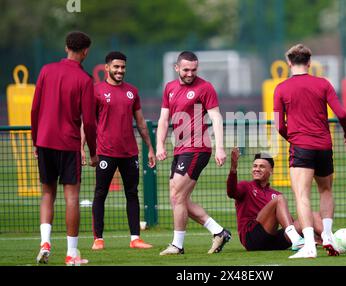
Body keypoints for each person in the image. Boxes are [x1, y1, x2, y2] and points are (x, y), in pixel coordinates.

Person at [274, 43, 346, 258]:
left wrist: (293, 139)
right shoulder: (323, 84)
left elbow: (279, 125)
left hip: (302, 147)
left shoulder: (281, 88)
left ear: (289, 63)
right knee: (325, 191)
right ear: (309, 62)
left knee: (302, 196)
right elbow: (343, 115)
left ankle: (309, 245)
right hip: (324, 147)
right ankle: (327, 236)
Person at [31, 31, 98, 266]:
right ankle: (71, 254)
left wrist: (35, 141)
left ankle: (45, 243)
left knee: (47, 194)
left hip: (44, 141)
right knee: (72, 198)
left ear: (65, 46)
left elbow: (35, 109)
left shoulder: (46, 71)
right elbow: (89, 121)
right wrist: (92, 150)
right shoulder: (85, 80)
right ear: (85, 51)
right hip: (68, 144)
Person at [156, 51, 231, 255]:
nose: (190, 73)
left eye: (194, 69)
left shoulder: (205, 87)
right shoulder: (169, 88)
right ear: (177, 68)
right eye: (186, 69)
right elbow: (163, 119)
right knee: (177, 198)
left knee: (177, 196)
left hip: (198, 148)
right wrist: (160, 145)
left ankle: (177, 245)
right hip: (179, 149)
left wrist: (220, 147)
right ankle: (219, 232)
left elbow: (216, 117)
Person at [81, 51, 157, 251]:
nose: (120, 70)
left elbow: (140, 122)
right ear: (107, 68)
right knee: (100, 193)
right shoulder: (96, 91)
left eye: (122, 67)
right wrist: (82, 148)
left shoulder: (132, 91)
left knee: (132, 193)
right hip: (105, 152)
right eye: (116, 67)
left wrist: (150, 147)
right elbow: (87, 122)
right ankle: (98, 239)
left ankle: (135, 238)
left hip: (130, 153)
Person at [227, 148, 324, 251]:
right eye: (255, 166)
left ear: (271, 171)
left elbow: (289, 222)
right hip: (252, 239)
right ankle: (296, 239)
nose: (257, 169)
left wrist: (310, 236)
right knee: (279, 199)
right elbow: (231, 192)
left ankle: (330, 240)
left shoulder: (275, 194)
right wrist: (233, 169)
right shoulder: (246, 186)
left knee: (312, 215)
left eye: (262, 166)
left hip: (272, 240)